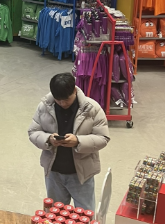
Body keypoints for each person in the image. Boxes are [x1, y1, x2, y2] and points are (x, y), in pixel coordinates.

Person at [28, 72, 109, 213]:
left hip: (81, 174)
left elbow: (103, 138)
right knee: (54, 215)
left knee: (85, 216)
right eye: (58, 100)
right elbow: (33, 132)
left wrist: (78, 141)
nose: (63, 104)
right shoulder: (44, 107)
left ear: (75, 90)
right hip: (54, 173)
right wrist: (48, 139)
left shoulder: (92, 108)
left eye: (66, 99)